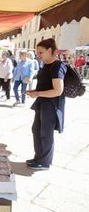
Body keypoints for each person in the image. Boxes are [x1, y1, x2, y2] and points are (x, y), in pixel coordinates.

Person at [25, 38, 66, 170]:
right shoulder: (47, 65)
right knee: (36, 130)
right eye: (38, 52)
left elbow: (58, 91)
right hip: (43, 103)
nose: (39, 55)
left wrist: (37, 94)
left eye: (41, 52)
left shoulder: (57, 66)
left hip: (51, 105)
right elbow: (45, 86)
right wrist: (35, 91)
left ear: (50, 50)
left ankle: (45, 162)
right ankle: (38, 157)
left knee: (45, 133)